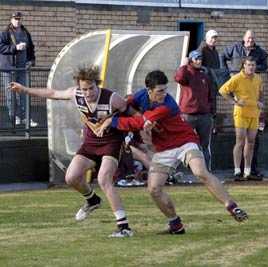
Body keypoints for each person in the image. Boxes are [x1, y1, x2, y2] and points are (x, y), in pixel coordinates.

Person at [96, 70, 248, 234]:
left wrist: (114, 121)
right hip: (163, 149)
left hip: (185, 142)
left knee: (200, 172)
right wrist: (104, 116)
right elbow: (125, 105)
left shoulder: (168, 105)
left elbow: (139, 122)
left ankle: (232, 207)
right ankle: (176, 225)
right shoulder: (140, 96)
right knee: (154, 189)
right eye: (159, 91)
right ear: (149, 91)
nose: (164, 94)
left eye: (165, 90)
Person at [9, 65, 133, 238]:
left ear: (97, 85)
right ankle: (92, 200)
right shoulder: (76, 94)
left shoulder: (112, 98)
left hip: (111, 143)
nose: (88, 93)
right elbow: (52, 93)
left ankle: (124, 227)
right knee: (71, 177)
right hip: (90, 143)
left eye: (91, 88)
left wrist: (118, 125)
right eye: (85, 89)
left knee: (104, 179)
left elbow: (132, 114)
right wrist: (24, 90)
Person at [220, 30, 268, 178]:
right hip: (240, 113)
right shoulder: (237, 78)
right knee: (240, 141)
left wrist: (261, 102)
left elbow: (261, 92)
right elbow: (222, 91)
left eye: (253, 65)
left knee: (251, 142)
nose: (251, 67)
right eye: (249, 65)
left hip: (254, 113)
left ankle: (248, 170)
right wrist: (235, 101)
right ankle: (237, 170)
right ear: (244, 66)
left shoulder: (258, 78)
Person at [175, 50, 214, 170]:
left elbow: (210, 96)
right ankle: (177, 172)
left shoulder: (204, 76)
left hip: (204, 116)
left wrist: (211, 113)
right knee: (182, 143)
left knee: (204, 145)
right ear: (191, 60)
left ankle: (206, 172)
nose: (199, 61)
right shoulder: (186, 73)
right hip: (188, 115)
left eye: (200, 58)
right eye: (196, 59)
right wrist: (183, 64)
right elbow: (178, 78)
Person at [0, 11, 37, 127]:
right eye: (15, 19)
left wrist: (31, 61)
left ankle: (25, 117)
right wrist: (15, 47)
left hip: (22, 69)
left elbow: (31, 48)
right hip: (9, 69)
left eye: (19, 18)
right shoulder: (5, 33)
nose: (17, 21)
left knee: (24, 93)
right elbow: (1, 47)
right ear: (11, 20)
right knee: (11, 95)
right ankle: (14, 117)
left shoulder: (26, 33)